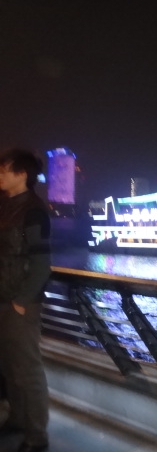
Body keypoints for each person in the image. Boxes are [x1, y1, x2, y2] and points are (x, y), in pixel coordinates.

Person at [0, 149, 51, 452]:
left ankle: (37, 436)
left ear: (22, 175)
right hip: (2, 298)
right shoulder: (4, 206)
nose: (0, 175)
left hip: (20, 303)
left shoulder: (34, 211)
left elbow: (42, 264)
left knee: (27, 371)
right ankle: (17, 419)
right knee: (8, 367)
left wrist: (21, 301)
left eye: (4, 170)